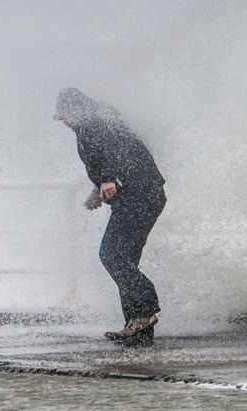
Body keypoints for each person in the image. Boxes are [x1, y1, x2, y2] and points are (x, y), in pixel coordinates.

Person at [54, 87, 167, 346]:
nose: (65, 123)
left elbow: (119, 151)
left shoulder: (98, 120)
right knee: (124, 259)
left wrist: (109, 179)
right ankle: (138, 326)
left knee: (111, 254)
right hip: (138, 196)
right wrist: (99, 189)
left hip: (141, 196)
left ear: (76, 110)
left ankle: (146, 306)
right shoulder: (89, 125)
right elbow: (107, 156)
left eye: (66, 116)